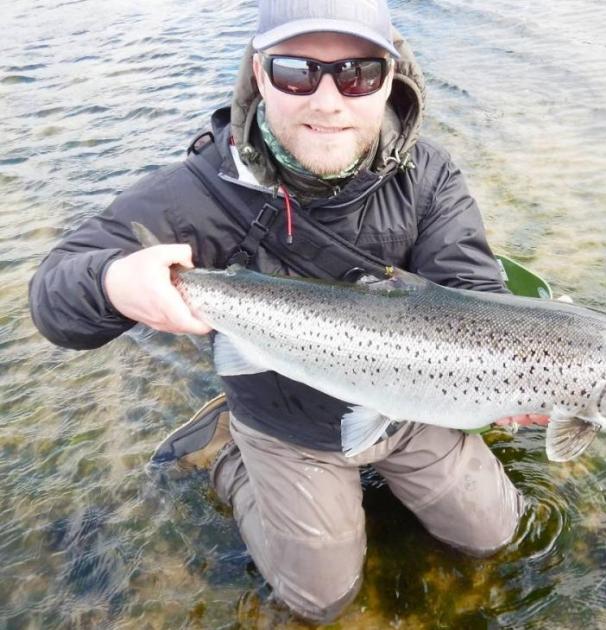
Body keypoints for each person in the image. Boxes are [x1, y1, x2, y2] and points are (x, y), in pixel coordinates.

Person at [29, 1, 548, 623]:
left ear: (391, 76)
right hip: (285, 421)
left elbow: (472, 288)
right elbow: (54, 297)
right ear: (259, 73)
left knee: (493, 537)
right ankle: (222, 452)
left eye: (357, 74)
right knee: (319, 601)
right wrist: (113, 280)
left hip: (411, 405)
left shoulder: (428, 177)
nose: (328, 101)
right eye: (297, 72)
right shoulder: (201, 191)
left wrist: (521, 368)